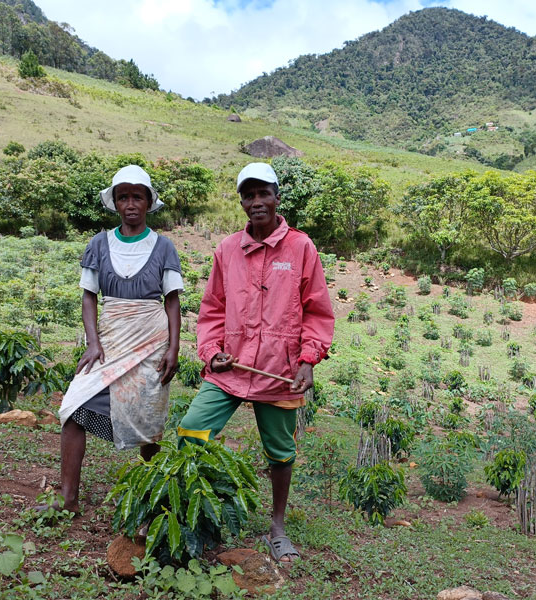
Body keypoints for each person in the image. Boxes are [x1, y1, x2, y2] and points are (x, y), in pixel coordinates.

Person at [178, 162, 334, 562]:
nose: (257, 201)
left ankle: (277, 527)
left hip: (279, 372)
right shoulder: (227, 250)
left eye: (264, 193)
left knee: (280, 451)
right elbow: (212, 309)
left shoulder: (301, 248)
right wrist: (211, 352)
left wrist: (308, 360)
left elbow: (317, 310)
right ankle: (191, 514)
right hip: (230, 369)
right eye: (249, 195)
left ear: (277, 197)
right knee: (192, 430)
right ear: (242, 203)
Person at [56, 164, 182, 514]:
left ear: (148, 202)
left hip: (151, 342)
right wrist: (93, 342)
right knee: (73, 407)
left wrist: (174, 348)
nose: (130, 204)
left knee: (148, 419)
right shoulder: (99, 243)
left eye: (137, 197)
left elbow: (172, 301)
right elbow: (88, 296)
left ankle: (150, 503)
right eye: (123, 197)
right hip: (110, 341)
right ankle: (68, 499)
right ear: (114, 202)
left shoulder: (164, 247)